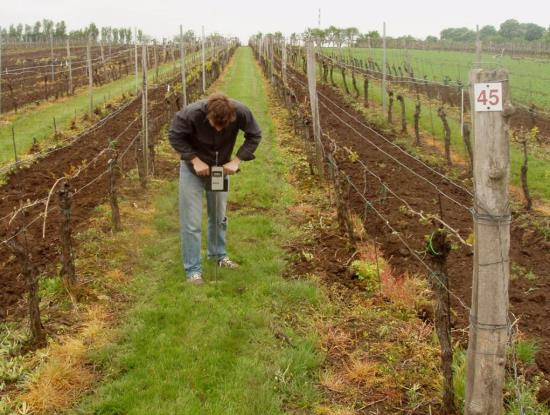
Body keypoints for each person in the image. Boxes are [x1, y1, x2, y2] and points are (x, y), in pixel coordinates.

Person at [168, 92, 262, 285]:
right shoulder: (190, 114)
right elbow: (174, 135)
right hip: (192, 170)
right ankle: (193, 270)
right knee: (192, 222)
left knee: (219, 217)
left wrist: (236, 161)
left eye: (224, 125)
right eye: (215, 124)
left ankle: (218, 256)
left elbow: (255, 134)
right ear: (207, 115)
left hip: (219, 170)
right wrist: (194, 160)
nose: (219, 129)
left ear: (232, 117)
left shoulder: (241, 112)